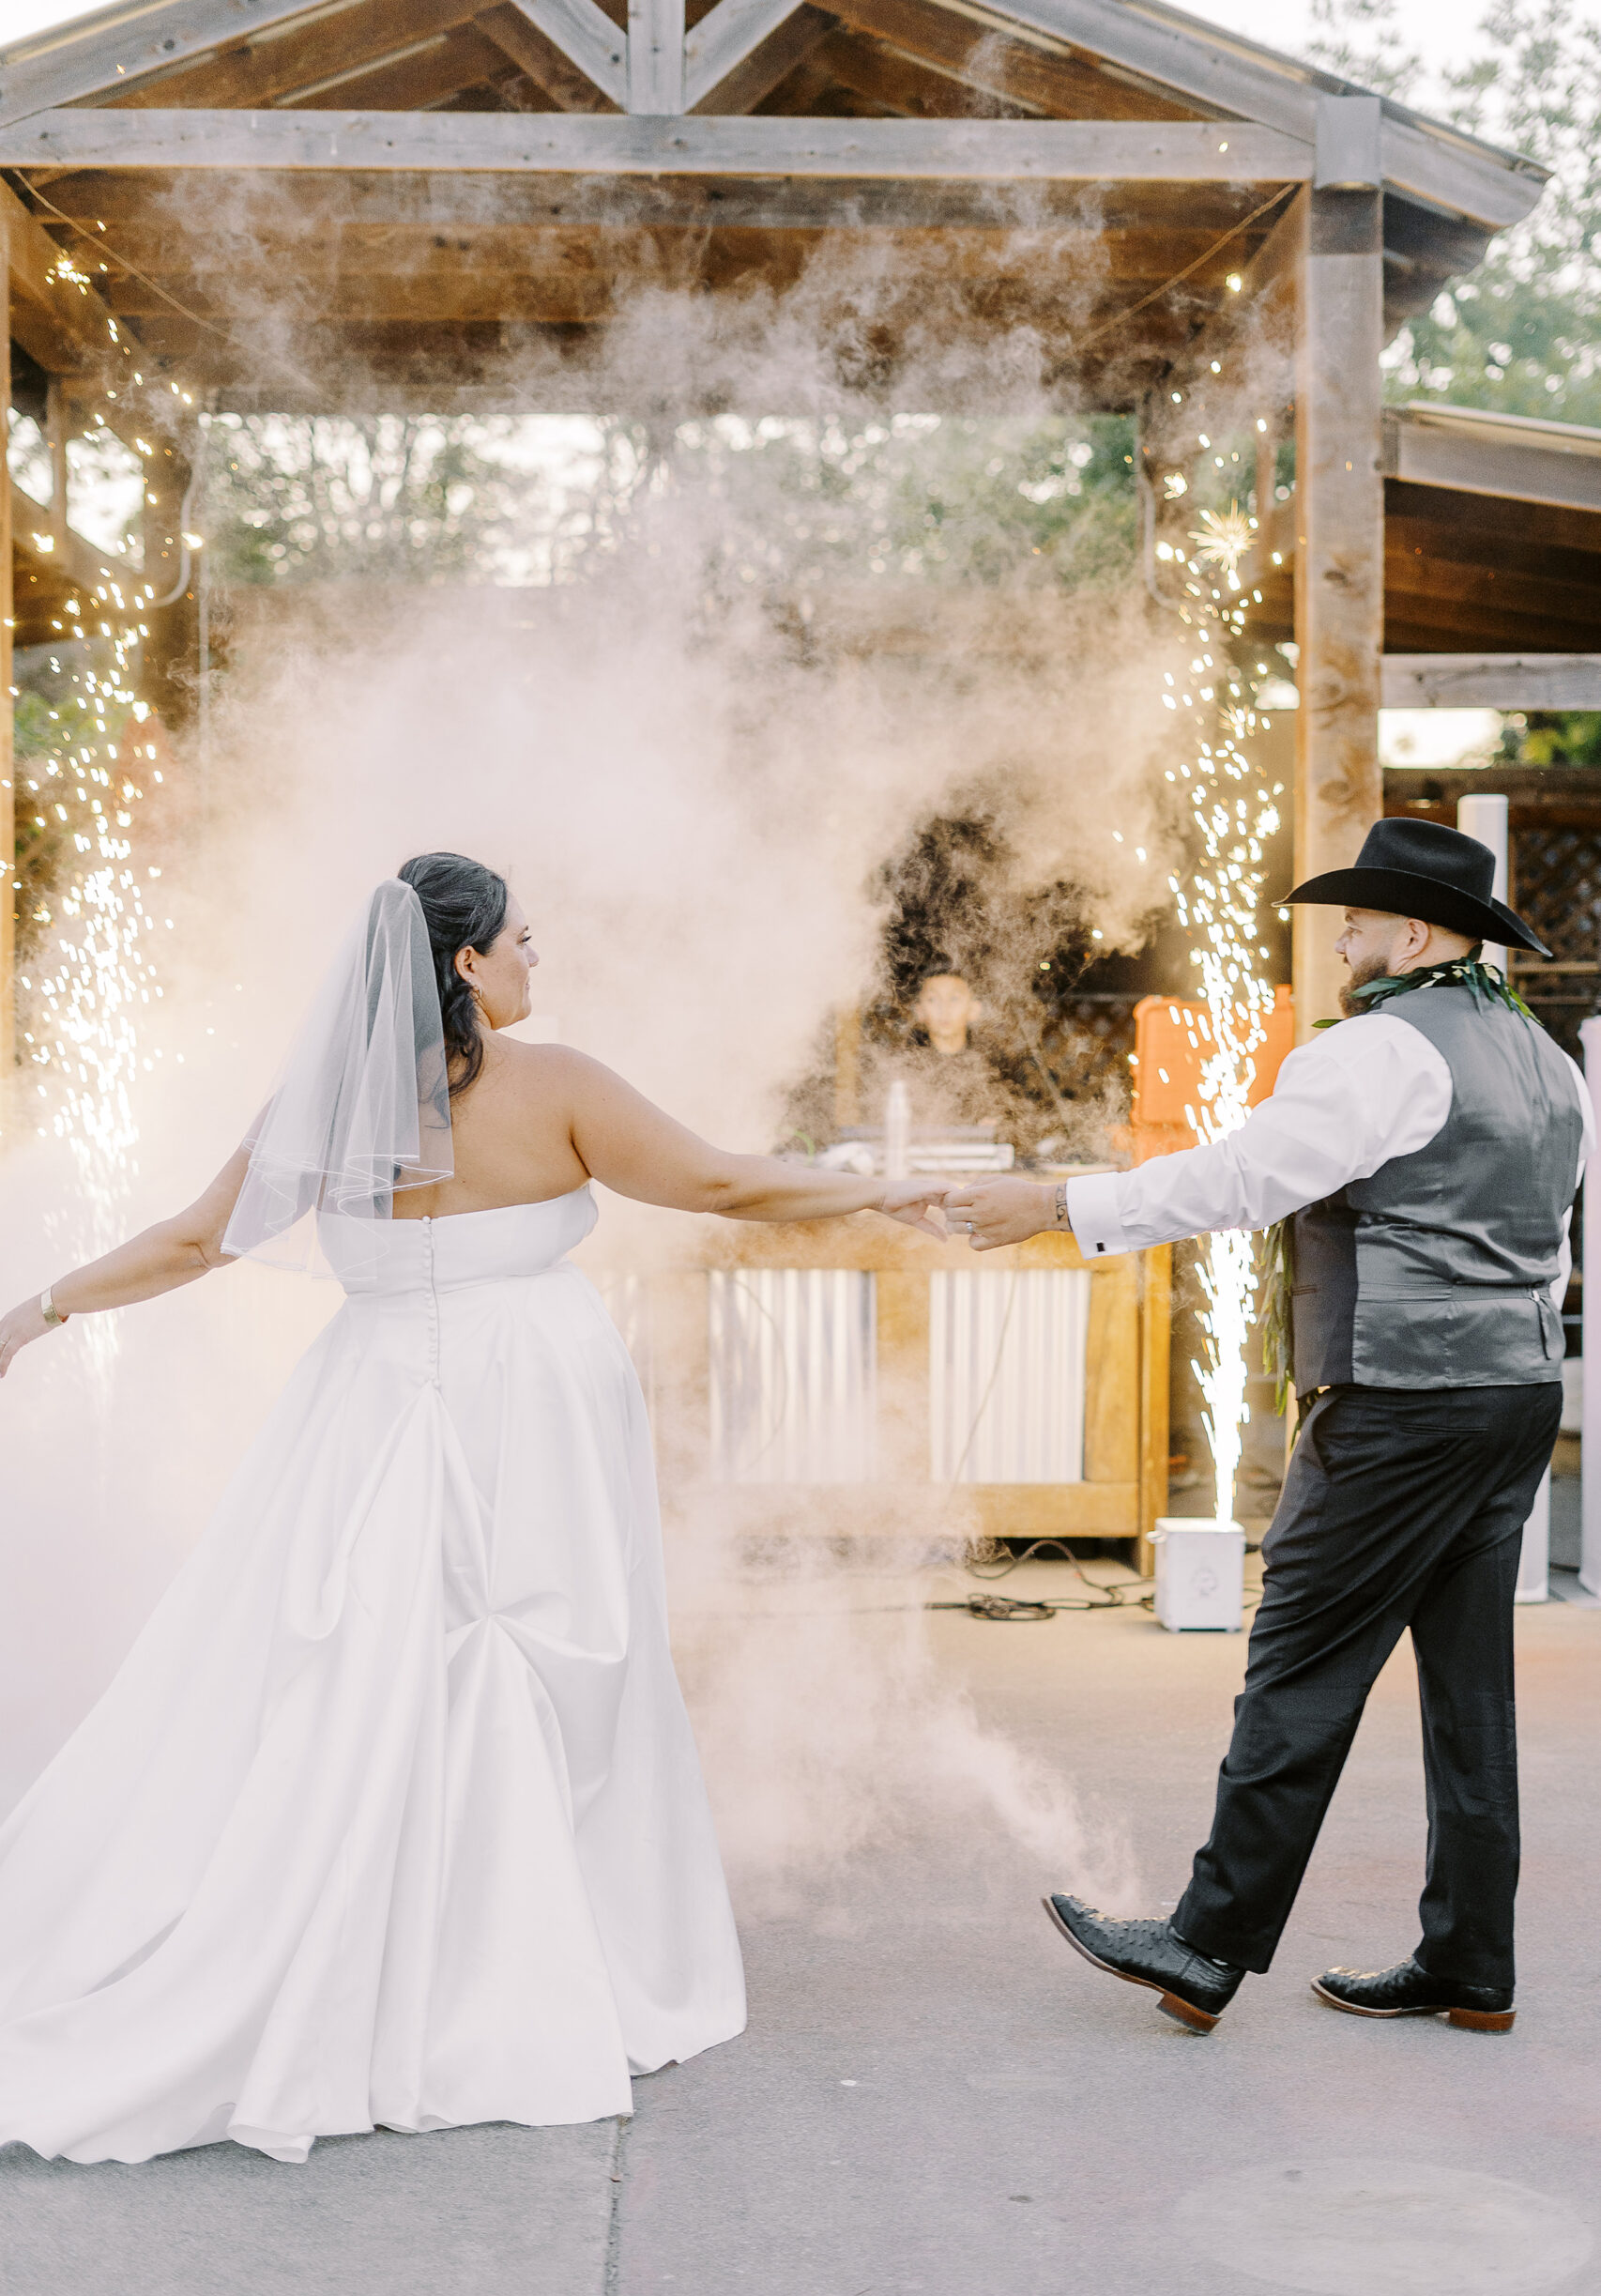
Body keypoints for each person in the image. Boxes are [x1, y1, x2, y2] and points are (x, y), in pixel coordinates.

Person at [0, 854, 947, 2164]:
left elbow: (186, 1242)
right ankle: (512, 1973)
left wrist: (30, 1317)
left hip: (370, 1404)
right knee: (539, 1662)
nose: (533, 962)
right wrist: (885, 1189)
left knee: (366, 1675)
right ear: (461, 962)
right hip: (534, 1403)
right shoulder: (555, 1083)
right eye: (520, 941)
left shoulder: (323, 1101)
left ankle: (370, 1965)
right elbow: (721, 1184)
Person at [942, 818, 1592, 2037]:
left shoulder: (1376, 1054)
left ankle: (1204, 1944)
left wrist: (1052, 1203)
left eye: (1354, 916)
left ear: (1409, 931)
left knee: (1297, 1667)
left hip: (1399, 1403)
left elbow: (1242, 1180)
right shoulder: (1546, 1059)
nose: (1336, 933)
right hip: (1515, 1393)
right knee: (1469, 1690)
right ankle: (1470, 1961)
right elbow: (1551, 1242)